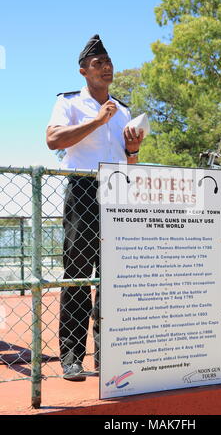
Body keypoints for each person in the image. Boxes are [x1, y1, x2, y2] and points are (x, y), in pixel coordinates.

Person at [46, 34, 144, 381]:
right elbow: (53, 140)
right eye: (98, 63)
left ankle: (108, 357)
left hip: (118, 193)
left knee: (113, 279)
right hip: (83, 191)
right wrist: (98, 121)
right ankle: (72, 357)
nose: (107, 67)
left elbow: (127, 160)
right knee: (78, 275)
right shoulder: (70, 102)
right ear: (83, 70)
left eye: (109, 62)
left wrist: (133, 151)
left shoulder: (125, 110)